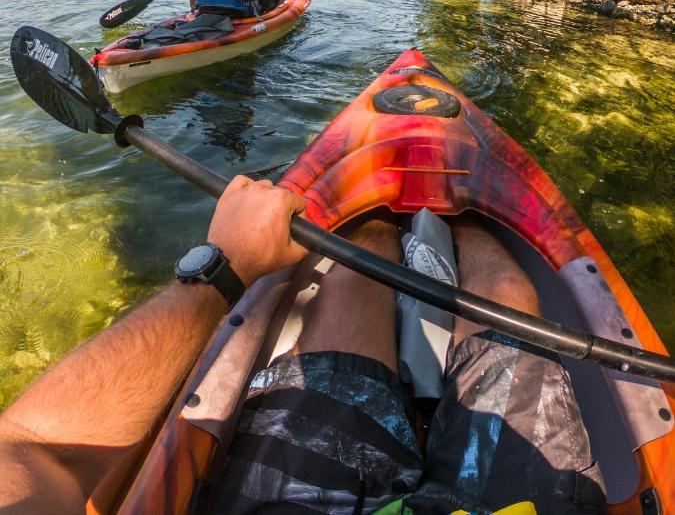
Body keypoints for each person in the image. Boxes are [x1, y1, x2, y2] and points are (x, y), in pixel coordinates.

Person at [0, 179, 606, 514]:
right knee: (504, 296)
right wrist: (225, 265)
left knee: (357, 272)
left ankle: (371, 224)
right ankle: (467, 215)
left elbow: (35, 451)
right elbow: (33, 446)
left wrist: (231, 262)